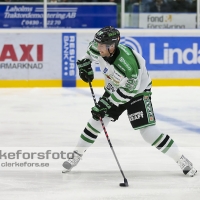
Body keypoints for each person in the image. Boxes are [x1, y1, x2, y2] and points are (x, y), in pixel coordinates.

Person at [62, 26, 197, 177]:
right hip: (114, 89)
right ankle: (77, 154)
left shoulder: (129, 65)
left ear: (112, 46)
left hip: (138, 92)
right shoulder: (97, 47)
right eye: (98, 44)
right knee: (96, 121)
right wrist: (84, 65)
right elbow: (88, 56)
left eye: (102, 45)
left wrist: (106, 104)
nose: (98, 47)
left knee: (148, 133)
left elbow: (129, 91)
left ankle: (181, 159)